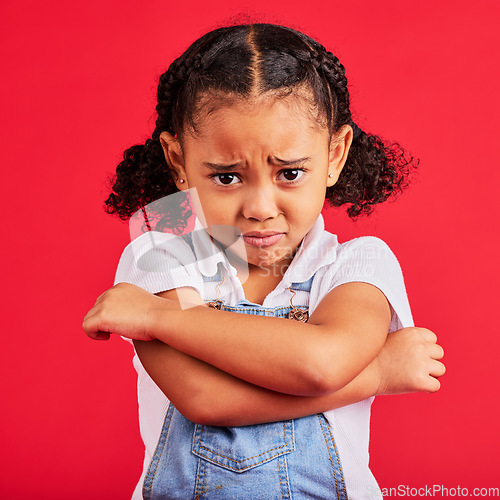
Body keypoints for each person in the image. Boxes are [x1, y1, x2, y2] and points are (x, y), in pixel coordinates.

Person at [83, 23, 445, 500]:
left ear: (335, 155)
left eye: (290, 173)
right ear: (178, 160)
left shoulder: (356, 263)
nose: (259, 207)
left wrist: (157, 317)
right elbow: (204, 398)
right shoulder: (162, 249)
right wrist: (376, 372)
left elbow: (323, 362)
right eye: (227, 177)